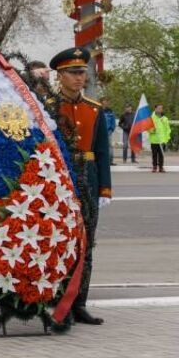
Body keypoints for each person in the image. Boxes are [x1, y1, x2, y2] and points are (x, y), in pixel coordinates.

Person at [49, 47, 112, 325]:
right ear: (59, 76)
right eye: (73, 73)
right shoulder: (49, 108)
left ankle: (80, 302)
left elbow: (101, 152)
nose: (79, 78)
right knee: (59, 243)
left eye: (81, 73)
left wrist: (105, 189)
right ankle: (59, 301)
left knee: (86, 245)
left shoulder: (93, 110)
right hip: (59, 178)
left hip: (88, 177)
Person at [148, 104, 170, 173]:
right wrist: (152, 130)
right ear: (155, 109)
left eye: (161, 108)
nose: (160, 110)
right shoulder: (151, 118)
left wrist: (167, 138)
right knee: (154, 154)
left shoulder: (165, 118)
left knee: (161, 154)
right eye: (158, 108)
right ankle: (154, 167)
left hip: (162, 140)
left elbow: (168, 129)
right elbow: (148, 128)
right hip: (154, 140)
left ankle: (161, 167)